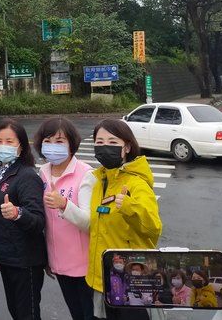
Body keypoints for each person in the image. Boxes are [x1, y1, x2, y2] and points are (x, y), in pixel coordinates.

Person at [86, 119, 162, 320]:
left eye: (112, 142)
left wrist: (130, 207)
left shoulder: (137, 184)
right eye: (99, 142)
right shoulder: (100, 181)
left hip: (132, 282)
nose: (105, 147)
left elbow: (153, 228)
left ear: (127, 146)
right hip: (103, 279)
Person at [34, 117, 96, 320]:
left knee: (90, 315)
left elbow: (89, 223)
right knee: (76, 313)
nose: (53, 146)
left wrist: (64, 205)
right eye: (48, 140)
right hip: (58, 263)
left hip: (84, 266)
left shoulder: (86, 174)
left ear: (72, 144)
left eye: (59, 141)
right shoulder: (42, 173)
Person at [0, 118, 46, 320]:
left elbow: (38, 220)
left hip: (25, 261)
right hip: (7, 258)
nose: (3, 146)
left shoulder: (26, 176)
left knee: (26, 314)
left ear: (21, 147)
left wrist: (17, 213)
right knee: (16, 311)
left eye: (10, 141)